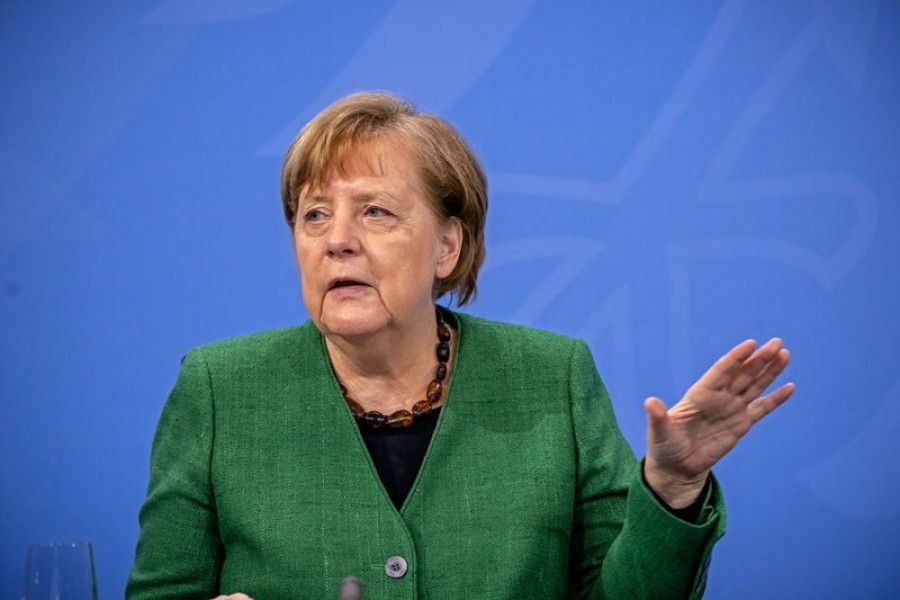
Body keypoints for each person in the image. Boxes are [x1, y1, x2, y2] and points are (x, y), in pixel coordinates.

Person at [126, 92, 794, 600]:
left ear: (450, 246)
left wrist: (672, 486)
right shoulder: (219, 387)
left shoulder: (553, 376)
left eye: (376, 211)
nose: (337, 239)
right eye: (314, 214)